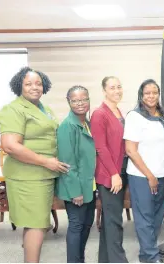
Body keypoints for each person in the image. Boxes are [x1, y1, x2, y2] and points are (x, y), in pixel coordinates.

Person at [0, 67, 69, 262]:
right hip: (28, 175)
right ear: (19, 86)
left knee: (34, 222)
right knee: (37, 224)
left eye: (38, 83)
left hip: (43, 174)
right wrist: (46, 161)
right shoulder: (14, 109)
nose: (34, 87)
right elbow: (10, 146)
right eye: (28, 84)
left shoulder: (44, 109)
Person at [124, 79, 164, 263]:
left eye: (155, 92)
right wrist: (150, 175)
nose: (151, 96)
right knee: (145, 217)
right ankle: (151, 257)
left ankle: (147, 253)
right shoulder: (134, 116)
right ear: (141, 95)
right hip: (142, 176)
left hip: (163, 173)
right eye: (147, 93)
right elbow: (130, 150)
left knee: (157, 216)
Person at [55, 85, 96, 263]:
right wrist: (75, 192)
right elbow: (67, 163)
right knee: (77, 226)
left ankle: (79, 259)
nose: (80, 103)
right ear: (69, 102)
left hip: (89, 184)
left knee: (87, 225)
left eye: (84, 99)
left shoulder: (86, 123)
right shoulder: (67, 126)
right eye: (75, 100)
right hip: (76, 188)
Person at [91, 76, 128, 263]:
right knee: (114, 221)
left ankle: (105, 259)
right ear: (104, 90)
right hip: (109, 173)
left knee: (109, 220)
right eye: (112, 87)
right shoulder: (99, 114)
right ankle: (119, 260)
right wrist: (114, 174)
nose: (117, 91)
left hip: (120, 170)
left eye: (119, 87)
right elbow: (101, 147)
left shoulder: (118, 111)